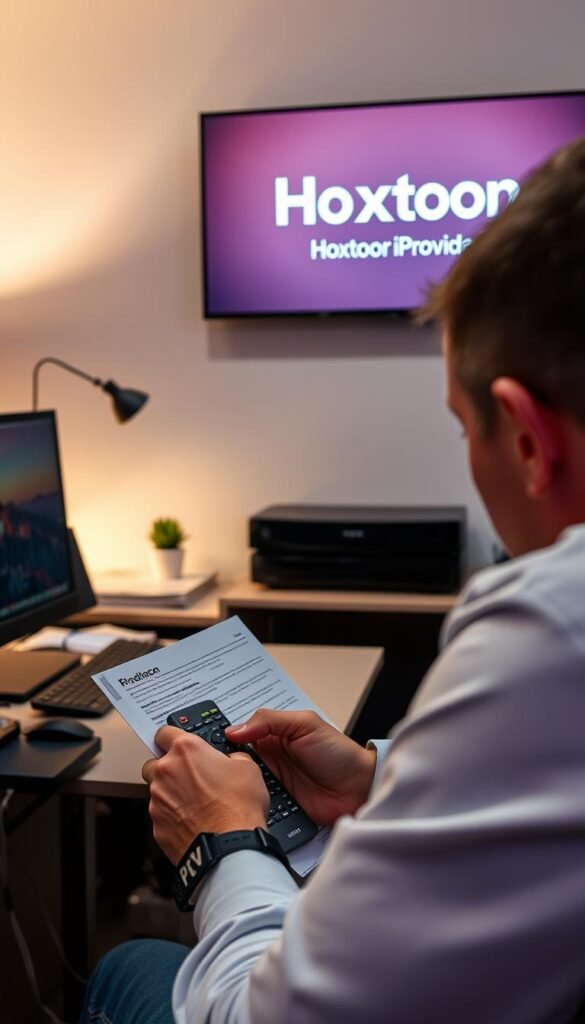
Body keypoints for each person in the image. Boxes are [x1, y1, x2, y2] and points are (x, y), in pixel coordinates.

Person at [80, 136, 585, 1024]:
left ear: (525, 438)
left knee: (132, 965)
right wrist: (376, 776)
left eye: (461, 427)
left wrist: (222, 842)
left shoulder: (551, 624)